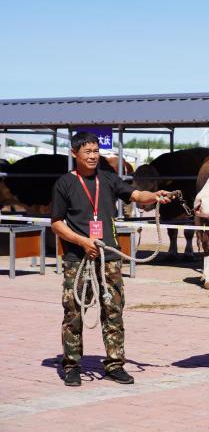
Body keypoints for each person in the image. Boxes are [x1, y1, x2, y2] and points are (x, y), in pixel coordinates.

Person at [51, 132, 173, 387]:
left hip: (109, 257)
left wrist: (155, 195)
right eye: (88, 152)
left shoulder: (107, 179)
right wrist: (82, 242)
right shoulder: (64, 183)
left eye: (96, 151)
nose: (94, 156)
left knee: (113, 311)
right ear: (75, 154)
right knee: (73, 313)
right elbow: (57, 224)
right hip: (77, 258)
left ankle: (115, 364)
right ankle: (72, 365)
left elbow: (135, 195)